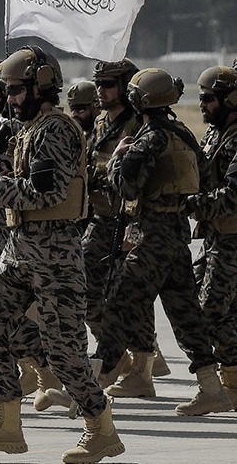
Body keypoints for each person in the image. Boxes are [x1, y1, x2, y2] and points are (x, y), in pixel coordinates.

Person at [0, 45, 124, 463]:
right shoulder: (26, 130)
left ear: (40, 87)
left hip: (55, 256)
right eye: (7, 90)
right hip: (18, 251)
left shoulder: (57, 130)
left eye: (15, 90)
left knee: (65, 353)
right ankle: (7, 425)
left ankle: (100, 427)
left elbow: (45, 192)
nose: (9, 99)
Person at [95, 67, 230, 416]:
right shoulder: (181, 132)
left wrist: (118, 158)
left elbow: (125, 187)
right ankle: (211, 388)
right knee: (186, 315)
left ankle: (90, 387)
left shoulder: (149, 137)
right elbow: (202, 175)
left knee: (120, 305)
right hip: (177, 235)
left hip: (153, 237)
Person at [186, 65, 237, 411]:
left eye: (208, 98)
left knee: (209, 310)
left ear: (230, 100)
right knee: (201, 304)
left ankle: (234, 384)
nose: (202, 104)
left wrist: (191, 205)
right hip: (218, 237)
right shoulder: (216, 136)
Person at [80, 58, 140, 342]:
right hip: (100, 218)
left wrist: (133, 225)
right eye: (97, 84)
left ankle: (139, 357)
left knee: (127, 294)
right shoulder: (102, 121)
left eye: (107, 84)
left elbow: (141, 181)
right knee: (85, 287)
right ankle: (113, 349)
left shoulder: (137, 123)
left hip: (126, 222)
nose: (100, 90)